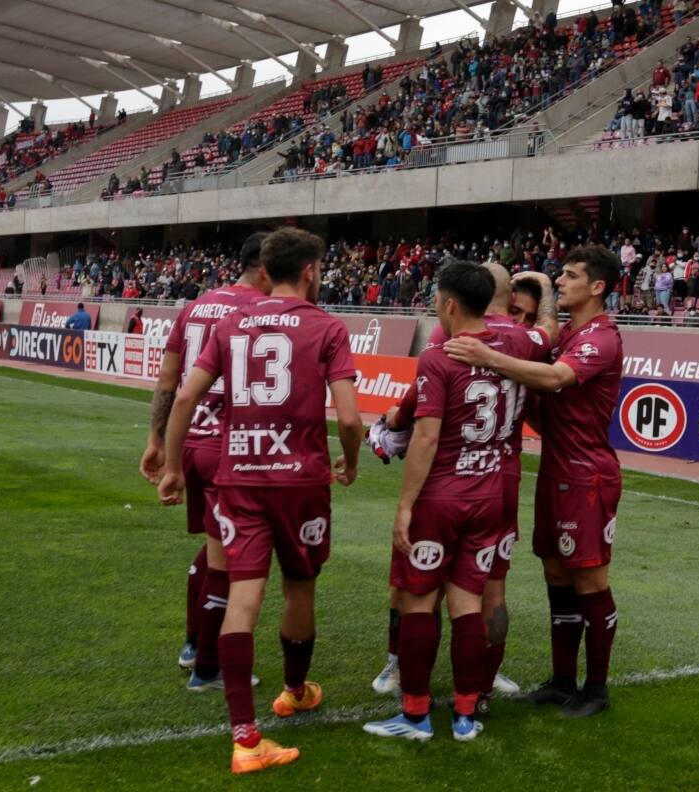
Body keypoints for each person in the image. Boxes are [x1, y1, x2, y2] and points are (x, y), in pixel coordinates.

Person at [157, 228, 363, 775]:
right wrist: (352, 460)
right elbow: (347, 417)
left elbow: (184, 396)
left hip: (239, 477)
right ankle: (293, 691)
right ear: (313, 270)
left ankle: (246, 740)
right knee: (299, 587)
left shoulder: (229, 324)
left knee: (243, 596)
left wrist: (175, 466)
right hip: (299, 483)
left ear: (265, 271)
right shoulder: (328, 327)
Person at [363, 263, 548, 743]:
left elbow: (424, 438)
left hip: (444, 494)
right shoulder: (519, 345)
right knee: (469, 603)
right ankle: (467, 715)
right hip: (493, 492)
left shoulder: (439, 356)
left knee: (420, 600)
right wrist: (545, 290)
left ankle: (416, 715)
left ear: (448, 304)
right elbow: (547, 334)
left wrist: (405, 505)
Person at [442, 246, 624, 719]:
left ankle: (597, 688)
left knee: (590, 580)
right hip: (556, 470)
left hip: (587, 475)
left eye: (570, 275)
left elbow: (556, 377)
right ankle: (563, 680)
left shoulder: (600, 338)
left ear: (597, 287)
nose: (561, 281)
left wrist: (488, 357)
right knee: (557, 576)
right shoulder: (570, 334)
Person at [140, 233, 272, 681]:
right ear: (267, 268)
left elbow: (168, 380)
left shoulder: (195, 306)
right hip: (228, 447)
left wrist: (158, 441)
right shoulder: (259, 310)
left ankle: (194, 642)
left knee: (214, 546)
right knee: (230, 559)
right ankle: (208, 667)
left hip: (191, 440)